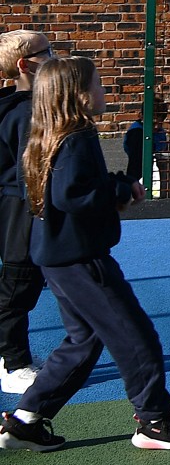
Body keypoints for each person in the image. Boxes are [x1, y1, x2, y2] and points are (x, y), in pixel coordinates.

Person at [0, 56, 170, 451]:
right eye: (98, 85)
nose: (104, 92)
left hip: (57, 256)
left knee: (84, 340)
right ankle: (154, 420)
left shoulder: (47, 133)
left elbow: (65, 187)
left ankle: (26, 420)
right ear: (77, 95)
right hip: (82, 259)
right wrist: (117, 192)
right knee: (135, 336)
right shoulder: (77, 135)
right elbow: (72, 195)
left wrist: (115, 181)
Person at [0, 31, 52, 395]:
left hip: (18, 203)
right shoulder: (26, 111)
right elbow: (28, 172)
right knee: (18, 286)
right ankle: (11, 362)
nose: (55, 54)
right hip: (20, 205)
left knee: (23, 283)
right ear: (25, 65)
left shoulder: (23, 105)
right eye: (46, 51)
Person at [122, 92, 169, 180]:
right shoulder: (136, 133)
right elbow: (135, 161)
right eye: (153, 123)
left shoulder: (160, 132)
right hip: (139, 173)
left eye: (160, 123)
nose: (157, 127)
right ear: (141, 116)